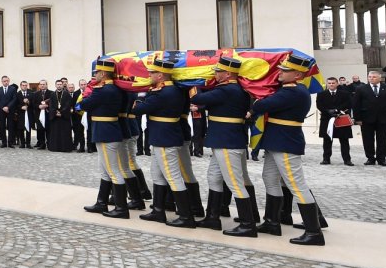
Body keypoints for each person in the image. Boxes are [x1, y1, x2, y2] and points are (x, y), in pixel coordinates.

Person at [249, 54, 325, 245]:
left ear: (298, 75)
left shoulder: (293, 92)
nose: (280, 73)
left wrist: (257, 102)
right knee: (270, 178)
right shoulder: (290, 90)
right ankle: (272, 221)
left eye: (285, 70)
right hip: (276, 141)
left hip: (285, 142)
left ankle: (314, 232)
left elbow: (263, 105)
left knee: (296, 185)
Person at [190, 56, 257, 234]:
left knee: (235, 182)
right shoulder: (232, 89)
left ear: (228, 74)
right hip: (223, 139)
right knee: (213, 177)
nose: (215, 74)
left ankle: (247, 224)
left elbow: (197, 98)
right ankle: (212, 217)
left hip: (227, 140)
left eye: (218, 71)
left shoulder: (228, 89)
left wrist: (192, 83)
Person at [133, 59, 196, 227]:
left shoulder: (164, 93)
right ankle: (158, 211)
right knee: (157, 174)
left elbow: (138, 109)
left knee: (173, 176)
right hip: (161, 137)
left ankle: (186, 216)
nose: (149, 75)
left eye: (152, 73)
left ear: (160, 75)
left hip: (165, 139)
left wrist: (138, 98)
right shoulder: (171, 90)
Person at [81, 58, 135, 218]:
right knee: (105, 171)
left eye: (97, 72)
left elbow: (84, 105)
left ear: (103, 73)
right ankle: (102, 202)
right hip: (109, 130)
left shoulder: (103, 90)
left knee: (113, 171)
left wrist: (88, 92)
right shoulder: (116, 89)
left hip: (105, 132)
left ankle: (121, 208)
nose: (95, 75)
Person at [353, 70, 386, 167]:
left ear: (380, 78)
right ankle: (370, 158)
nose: (371, 78)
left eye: (374, 77)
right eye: (369, 77)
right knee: (367, 139)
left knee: (383, 139)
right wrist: (357, 119)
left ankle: (381, 159)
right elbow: (356, 105)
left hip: (383, 118)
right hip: (366, 119)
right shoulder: (361, 89)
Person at [315, 76, 354, 166]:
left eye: (333, 83)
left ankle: (347, 160)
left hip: (341, 119)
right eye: (329, 83)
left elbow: (348, 103)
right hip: (327, 119)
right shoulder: (321, 94)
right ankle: (326, 159)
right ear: (327, 84)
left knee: (344, 140)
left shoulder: (345, 94)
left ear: (337, 83)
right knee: (327, 140)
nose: (331, 85)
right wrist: (328, 111)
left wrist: (336, 110)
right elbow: (319, 105)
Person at [45, 78, 75, 153]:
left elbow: (68, 104)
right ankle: (55, 147)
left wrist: (61, 112)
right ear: (55, 85)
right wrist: (55, 112)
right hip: (55, 117)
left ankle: (65, 148)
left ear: (62, 85)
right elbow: (50, 105)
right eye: (57, 84)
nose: (59, 86)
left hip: (64, 117)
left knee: (65, 133)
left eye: (60, 84)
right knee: (55, 133)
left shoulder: (66, 94)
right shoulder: (52, 94)